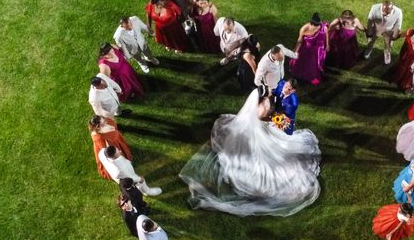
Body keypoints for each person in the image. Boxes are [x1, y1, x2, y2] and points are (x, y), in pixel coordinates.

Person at [179, 87, 321, 217]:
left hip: (252, 133)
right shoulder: (257, 113)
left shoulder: (258, 106)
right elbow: (261, 120)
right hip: (250, 143)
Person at [98, 146, 163, 196]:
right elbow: (130, 177)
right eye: (118, 151)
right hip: (126, 177)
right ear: (114, 156)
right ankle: (147, 191)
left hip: (120, 173)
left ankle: (142, 190)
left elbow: (103, 151)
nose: (120, 151)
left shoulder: (102, 152)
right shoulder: (120, 170)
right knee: (138, 182)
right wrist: (140, 179)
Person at [290, 12, 328, 86]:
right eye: (314, 25)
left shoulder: (323, 27)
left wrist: (327, 45)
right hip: (306, 48)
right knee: (301, 62)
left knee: (313, 65)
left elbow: (326, 35)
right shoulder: (304, 29)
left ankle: (311, 77)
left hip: (317, 50)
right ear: (311, 23)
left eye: (317, 25)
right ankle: (299, 74)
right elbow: (300, 41)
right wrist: (296, 51)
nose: (316, 27)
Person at [363, 0, 403, 64]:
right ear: (382, 6)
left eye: (387, 13)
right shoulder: (374, 8)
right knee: (371, 41)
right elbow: (370, 20)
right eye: (383, 11)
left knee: (388, 44)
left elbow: (398, 25)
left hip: (389, 30)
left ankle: (387, 54)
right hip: (376, 28)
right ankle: (369, 49)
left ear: (392, 9)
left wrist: (394, 36)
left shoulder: (398, 12)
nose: (384, 14)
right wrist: (369, 32)